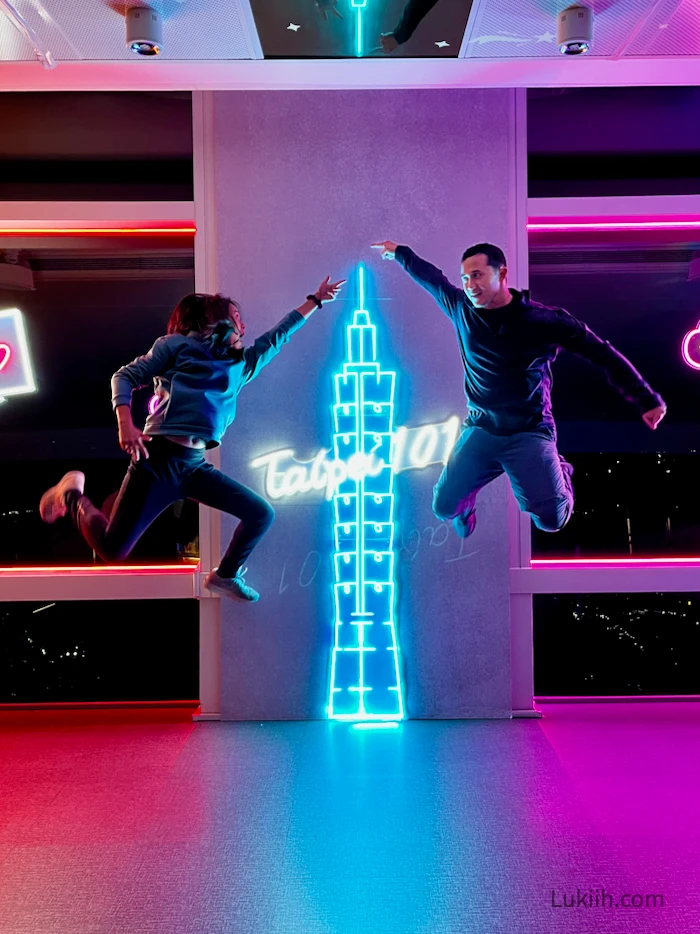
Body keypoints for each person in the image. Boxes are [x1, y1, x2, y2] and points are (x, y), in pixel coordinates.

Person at [39, 278, 345, 601]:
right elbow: (124, 377)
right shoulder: (177, 347)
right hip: (156, 463)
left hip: (195, 468)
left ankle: (225, 576)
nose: (244, 324)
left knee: (261, 514)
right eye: (236, 316)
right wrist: (125, 424)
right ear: (215, 320)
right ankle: (71, 494)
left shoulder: (241, 366)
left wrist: (315, 299)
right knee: (113, 550)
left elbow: (278, 336)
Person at [370, 240, 666, 538]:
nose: (470, 285)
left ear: (502, 274)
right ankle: (467, 504)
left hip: (528, 432)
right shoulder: (462, 309)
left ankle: (560, 470)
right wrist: (399, 252)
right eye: (465, 278)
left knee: (551, 521)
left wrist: (646, 398)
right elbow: (430, 277)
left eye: (477, 275)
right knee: (444, 507)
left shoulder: (544, 320)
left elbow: (600, 352)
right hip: (482, 430)